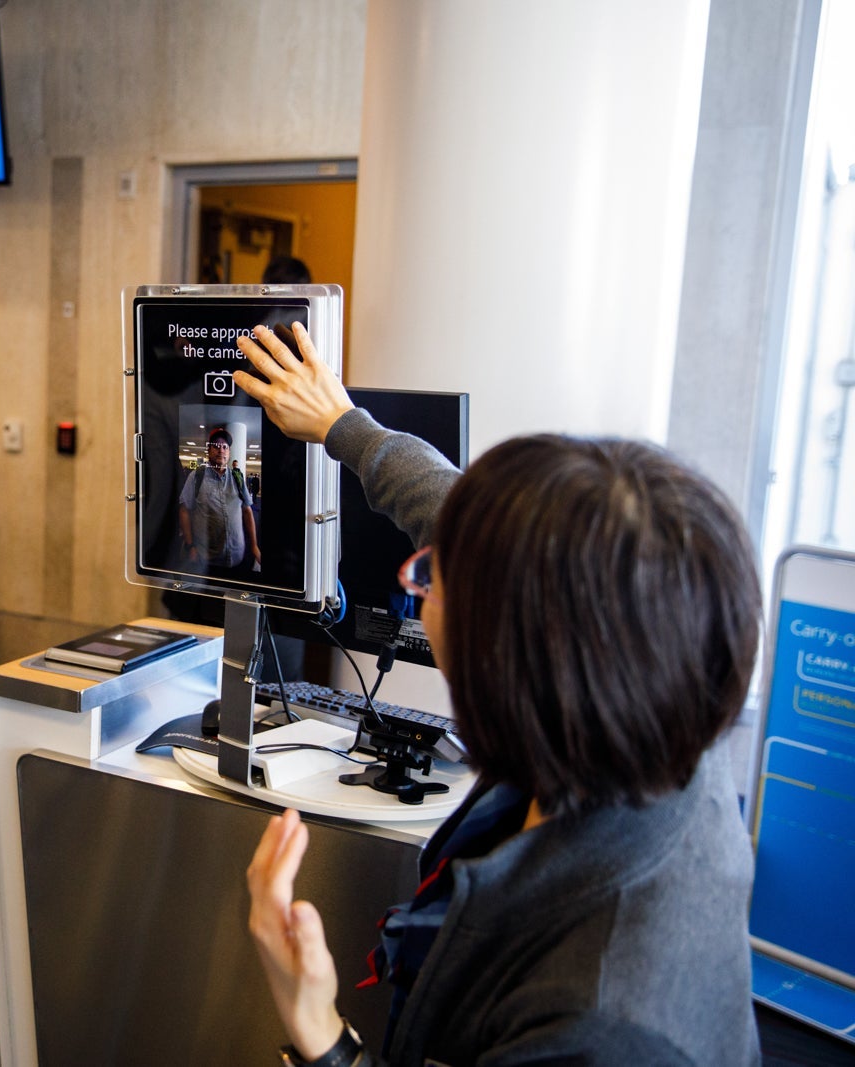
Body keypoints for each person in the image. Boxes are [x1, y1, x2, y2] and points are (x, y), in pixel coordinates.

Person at [234, 322, 762, 1066]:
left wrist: (320, 1030)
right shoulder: (656, 714)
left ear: (509, 658)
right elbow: (456, 512)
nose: (414, 578)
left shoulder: (601, 1024)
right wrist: (343, 427)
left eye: (431, 578)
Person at [178, 426, 261, 575]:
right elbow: (184, 511)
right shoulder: (196, 477)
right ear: (209, 450)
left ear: (229, 453)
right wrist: (190, 545)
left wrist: (254, 546)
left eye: (225, 447)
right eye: (216, 446)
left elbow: (247, 511)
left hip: (237, 555)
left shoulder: (237, 478)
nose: (221, 450)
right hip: (206, 557)